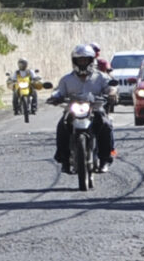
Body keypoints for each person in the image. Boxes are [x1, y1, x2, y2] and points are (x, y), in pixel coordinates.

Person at [48, 43, 117, 174]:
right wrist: (54, 97)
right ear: (74, 61)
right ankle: (65, 161)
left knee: (106, 125)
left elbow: (110, 87)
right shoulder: (66, 79)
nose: (83, 62)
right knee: (61, 126)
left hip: (95, 109)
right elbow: (59, 91)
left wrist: (112, 93)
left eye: (85, 60)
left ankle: (104, 160)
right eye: (80, 60)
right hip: (72, 111)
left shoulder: (101, 77)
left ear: (92, 60)